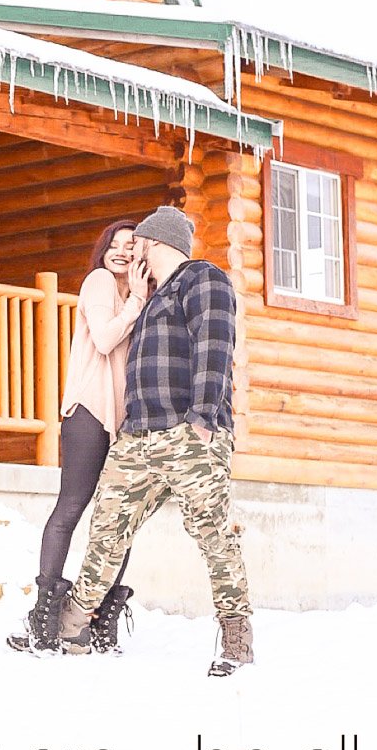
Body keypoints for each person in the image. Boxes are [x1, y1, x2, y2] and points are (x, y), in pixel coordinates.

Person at [53, 205, 255, 678]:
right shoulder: (148, 299)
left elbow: (215, 346)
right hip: (137, 437)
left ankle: (237, 639)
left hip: (189, 435)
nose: (128, 251)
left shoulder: (203, 279)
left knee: (213, 534)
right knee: (107, 529)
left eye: (137, 241)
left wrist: (203, 419)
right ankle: (71, 625)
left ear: (155, 243)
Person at [7, 219, 150, 656]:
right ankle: (44, 623)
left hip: (127, 420)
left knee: (119, 521)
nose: (122, 251)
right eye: (115, 243)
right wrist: (137, 302)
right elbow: (105, 340)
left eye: (132, 245)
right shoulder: (100, 281)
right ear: (103, 249)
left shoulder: (141, 297)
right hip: (89, 412)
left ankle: (96, 622)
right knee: (71, 508)